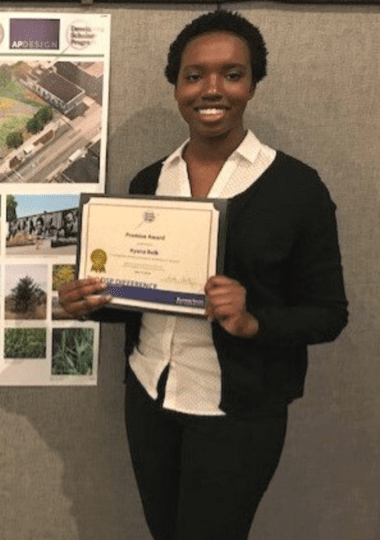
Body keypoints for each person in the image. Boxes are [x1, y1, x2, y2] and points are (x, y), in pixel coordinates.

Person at [59, 10, 347, 540]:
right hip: (149, 395)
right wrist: (92, 303)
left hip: (237, 413)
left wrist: (253, 321)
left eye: (232, 74)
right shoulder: (150, 180)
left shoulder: (297, 188)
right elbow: (142, 298)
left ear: (252, 84)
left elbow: (329, 314)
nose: (211, 89)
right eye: (194, 75)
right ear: (177, 87)